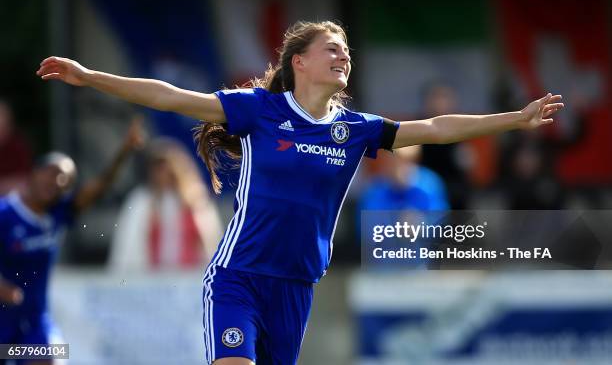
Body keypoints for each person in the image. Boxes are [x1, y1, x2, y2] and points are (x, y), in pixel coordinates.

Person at [35, 21, 564, 365]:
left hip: (296, 287)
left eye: (347, 51)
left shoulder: (354, 128)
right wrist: (91, 76)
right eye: (331, 49)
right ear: (300, 63)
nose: (343, 57)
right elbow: (171, 97)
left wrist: (515, 120)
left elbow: (435, 128)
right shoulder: (259, 111)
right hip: (238, 277)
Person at [0, 120, 143, 365]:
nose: (56, 181)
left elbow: (99, 187)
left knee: (52, 358)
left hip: (35, 326)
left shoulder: (58, 213)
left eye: (65, 179)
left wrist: (124, 151)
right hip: (4, 325)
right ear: (34, 173)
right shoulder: (5, 214)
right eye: (52, 173)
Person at [109, 137, 222, 272]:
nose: (163, 174)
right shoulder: (141, 200)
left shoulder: (197, 200)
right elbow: (129, 246)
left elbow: (210, 243)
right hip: (151, 282)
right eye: (158, 169)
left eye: (167, 167)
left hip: (190, 282)